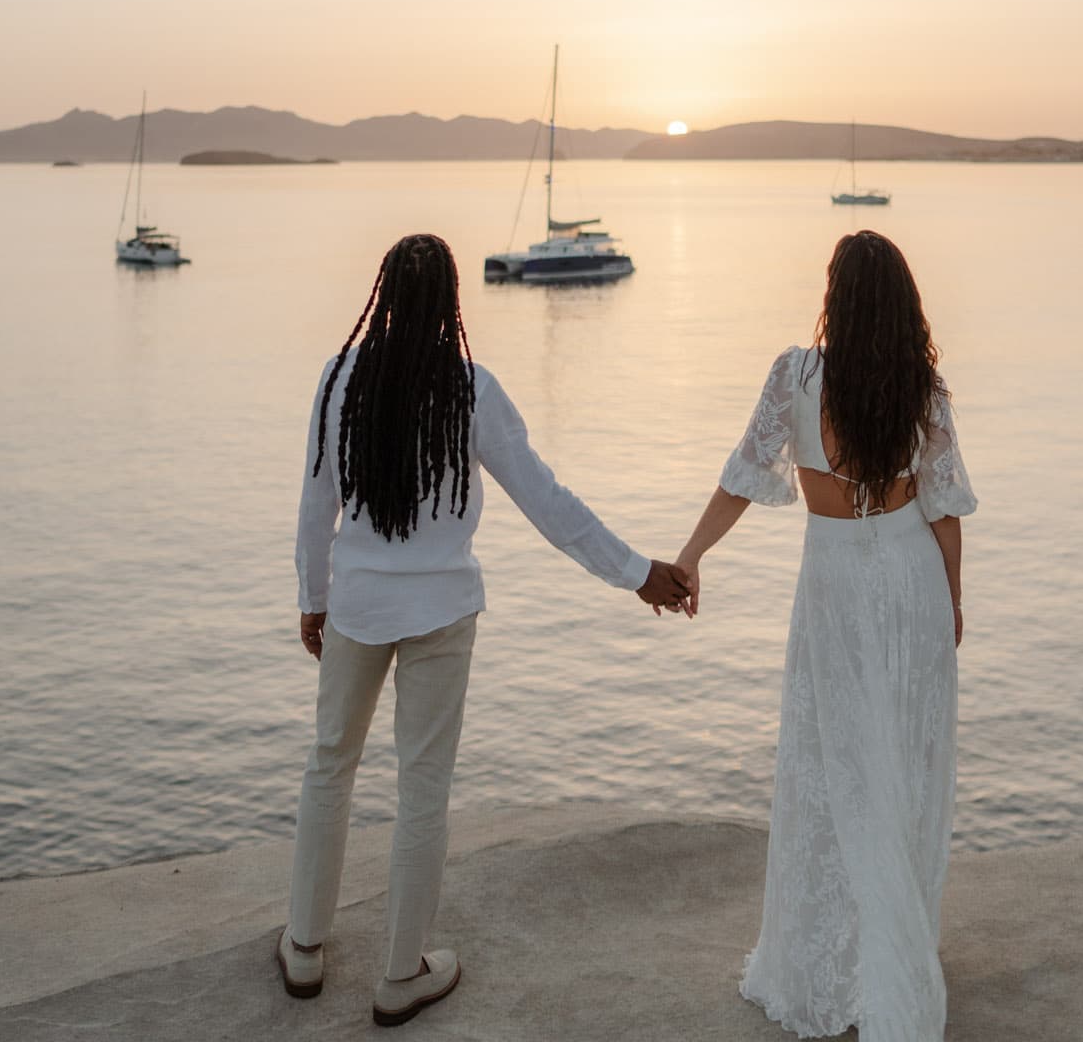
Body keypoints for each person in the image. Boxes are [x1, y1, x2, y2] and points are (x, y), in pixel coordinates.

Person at [282, 231, 688, 1024]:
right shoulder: (472, 388)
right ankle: (401, 975)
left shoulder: (340, 381)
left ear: (385, 297)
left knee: (330, 764)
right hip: (441, 614)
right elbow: (547, 501)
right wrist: (636, 573)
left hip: (359, 608)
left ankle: (303, 948)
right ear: (450, 305)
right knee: (421, 790)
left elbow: (313, 504)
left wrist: (313, 594)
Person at [674, 228, 976, 1042]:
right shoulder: (923, 388)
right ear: (903, 305)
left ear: (836, 299)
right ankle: (898, 945)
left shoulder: (796, 375)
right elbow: (943, 508)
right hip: (909, 575)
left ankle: (837, 958)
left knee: (830, 760)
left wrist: (689, 556)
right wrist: (951, 599)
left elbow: (742, 476)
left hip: (837, 584)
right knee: (905, 762)